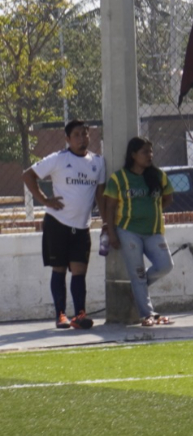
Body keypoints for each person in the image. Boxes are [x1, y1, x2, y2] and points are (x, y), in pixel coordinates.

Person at [22, 120, 106, 330]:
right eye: (76, 134)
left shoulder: (98, 162)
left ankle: (79, 315)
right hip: (57, 223)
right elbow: (28, 175)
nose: (81, 138)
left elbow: (101, 195)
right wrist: (45, 200)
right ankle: (60, 315)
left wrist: (106, 222)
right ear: (68, 139)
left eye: (85, 134)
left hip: (82, 226)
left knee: (80, 272)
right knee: (58, 269)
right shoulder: (59, 159)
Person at [103, 137, 175, 326]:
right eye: (144, 152)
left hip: (153, 231)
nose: (149, 155)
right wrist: (111, 233)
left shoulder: (158, 176)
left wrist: (153, 212)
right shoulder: (119, 178)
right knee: (137, 272)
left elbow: (167, 198)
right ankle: (147, 314)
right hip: (128, 231)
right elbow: (109, 207)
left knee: (165, 265)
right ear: (133, 155)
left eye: (151, 151)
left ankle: (137, 288)